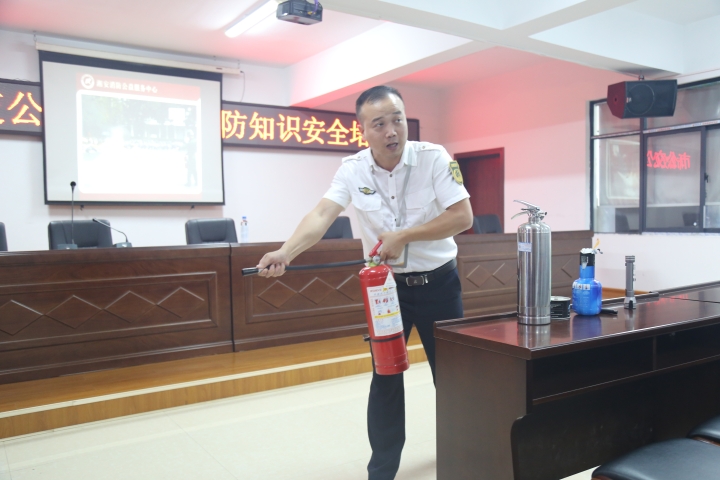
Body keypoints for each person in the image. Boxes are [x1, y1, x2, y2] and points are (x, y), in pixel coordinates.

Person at [256, 85, 473, 479]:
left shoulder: (433, 158)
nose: (392, 131)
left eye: (398, 120)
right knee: (385, 377)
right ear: (363, 130)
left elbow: (462, 216)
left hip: (439, 286)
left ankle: (465, 459)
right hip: (386, 292)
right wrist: (286, 252)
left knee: (453, 380)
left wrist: (404, 236)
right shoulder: (352, 169)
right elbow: (322, 214)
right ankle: (382, 472)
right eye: (380, 124)